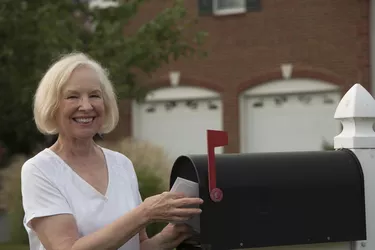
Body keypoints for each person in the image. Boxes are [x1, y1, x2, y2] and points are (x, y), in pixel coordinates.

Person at [21, 52, 203, 250]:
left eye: (94, 95)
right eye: (73, 96)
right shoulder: (39, 170)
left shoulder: (121, 164)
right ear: (52, 106)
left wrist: (169, 236)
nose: (86, 106)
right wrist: (145, 213)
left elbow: (138, 246)